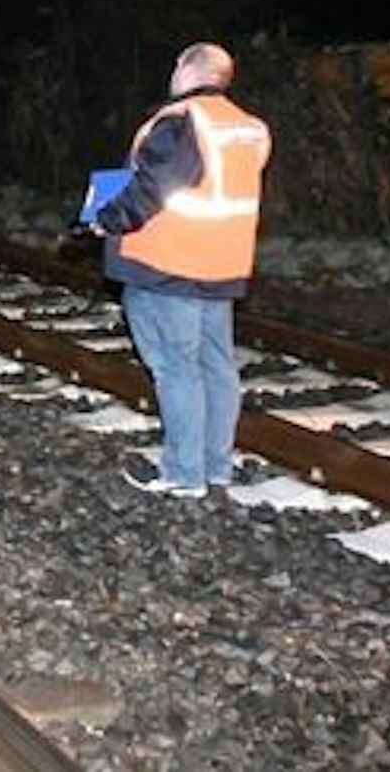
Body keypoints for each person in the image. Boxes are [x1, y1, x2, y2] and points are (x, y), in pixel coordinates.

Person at [89, 42, 272, 498]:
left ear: (186, 68)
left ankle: (183, 472)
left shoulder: (182, 122)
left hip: (167, 265)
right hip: (222, 265)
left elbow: (153, 189)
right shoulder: (247, 128)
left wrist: (104, 219)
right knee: (216, 366)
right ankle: (216, 466)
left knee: (176, 368)